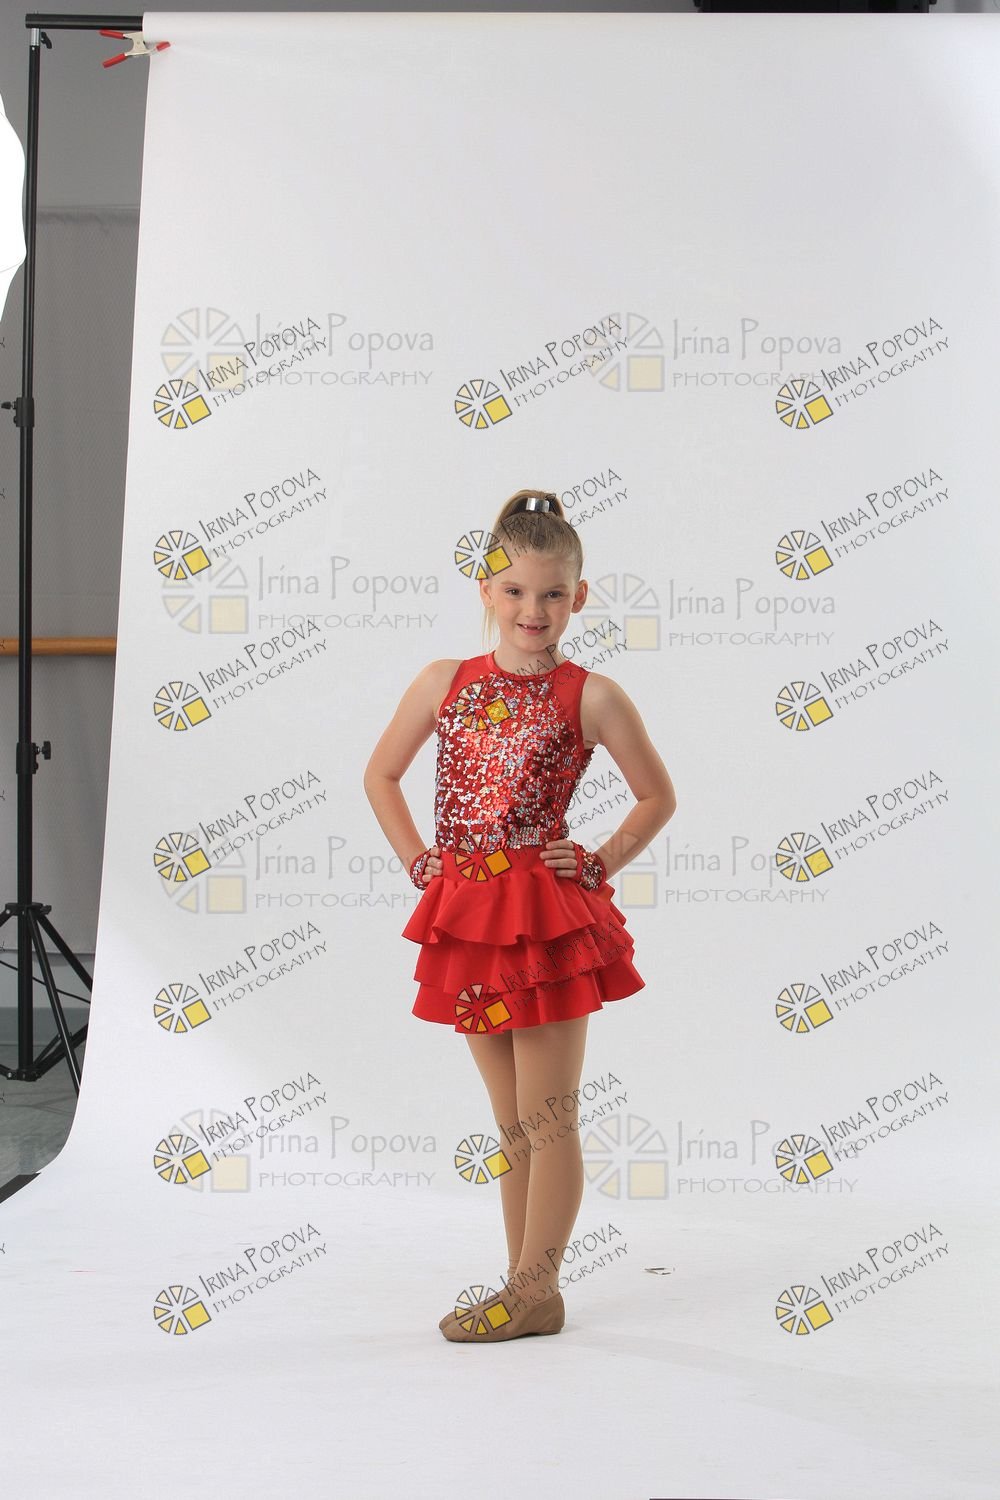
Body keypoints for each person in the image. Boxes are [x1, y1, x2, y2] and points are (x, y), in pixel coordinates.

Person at [363, 488, 676, 1343]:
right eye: (514, 592)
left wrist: (601, 860)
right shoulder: (444, 682)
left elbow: (657, 795)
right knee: (511, 1125)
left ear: (580, 597)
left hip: (544, 920)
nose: (532, 610)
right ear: (485, 588)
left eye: (551, 594)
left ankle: (533, 1291)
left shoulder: (592, 695)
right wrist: (418, 859)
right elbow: (380, 775)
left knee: (547, 1116)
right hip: (468, 915)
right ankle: (526, 1288)